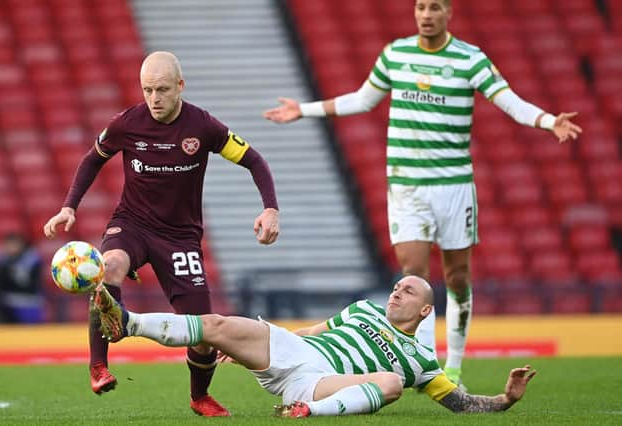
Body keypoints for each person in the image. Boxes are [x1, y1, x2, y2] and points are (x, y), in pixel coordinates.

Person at [263, 0, 582, 387]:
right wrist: (305, 110)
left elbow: (509, 101)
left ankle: (455, 367)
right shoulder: (396, 54)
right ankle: (427, 366)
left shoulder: (470, 59)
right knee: (414, 274)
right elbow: (363, 99)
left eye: (435, 7)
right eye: (420, 7)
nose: (426, 14)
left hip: (453, 186)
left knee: (458, 277)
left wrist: (548, 121)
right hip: (407, 183)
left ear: (449, 12)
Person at [43, 51, 280, 416]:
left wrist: (270, 208)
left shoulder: (204, 127)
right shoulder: (127, 123)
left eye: (163, 90)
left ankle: (199, 397)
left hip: (181, 238)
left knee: (202, 333)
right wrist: (69, 205)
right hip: (132, 224)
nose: (154, 99)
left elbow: (254, 160)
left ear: (180, 87)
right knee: (109, 265)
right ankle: (98, 366)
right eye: (148, 90)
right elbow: (93, 158)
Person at [93, 275, 536, 417]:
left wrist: (504, 400)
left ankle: (307, 413)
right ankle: (127, 321)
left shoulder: (422, 361)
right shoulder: (363, 309)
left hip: (322, 384)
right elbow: (312, 329)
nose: (397, 293)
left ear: (424, 312)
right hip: (296, 352)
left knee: (390, 383)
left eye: (408, 293)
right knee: (216, 324)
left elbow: (460, 404)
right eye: (398, 287)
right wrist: (252, 341)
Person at [0, 233, 44, 323]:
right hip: (7, 303)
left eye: (14, 244)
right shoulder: (3, 260)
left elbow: (26, 283)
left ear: (21, 244)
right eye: (8, 245)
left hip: (29, 302)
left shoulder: (31, 259)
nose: (11, 247)